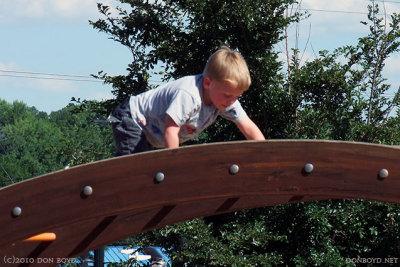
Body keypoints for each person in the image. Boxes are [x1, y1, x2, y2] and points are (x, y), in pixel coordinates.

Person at [111, 46, 265, 156]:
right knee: (135, 171)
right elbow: (171, 130)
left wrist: (268, 155)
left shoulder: (225, 99)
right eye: (227, 95)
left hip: (153, 133)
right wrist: (175, 166)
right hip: (134, 119)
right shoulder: (189, 96)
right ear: (207, 83)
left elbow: (249, 128)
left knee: (148, 174)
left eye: (236, 96)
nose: (232, 101)